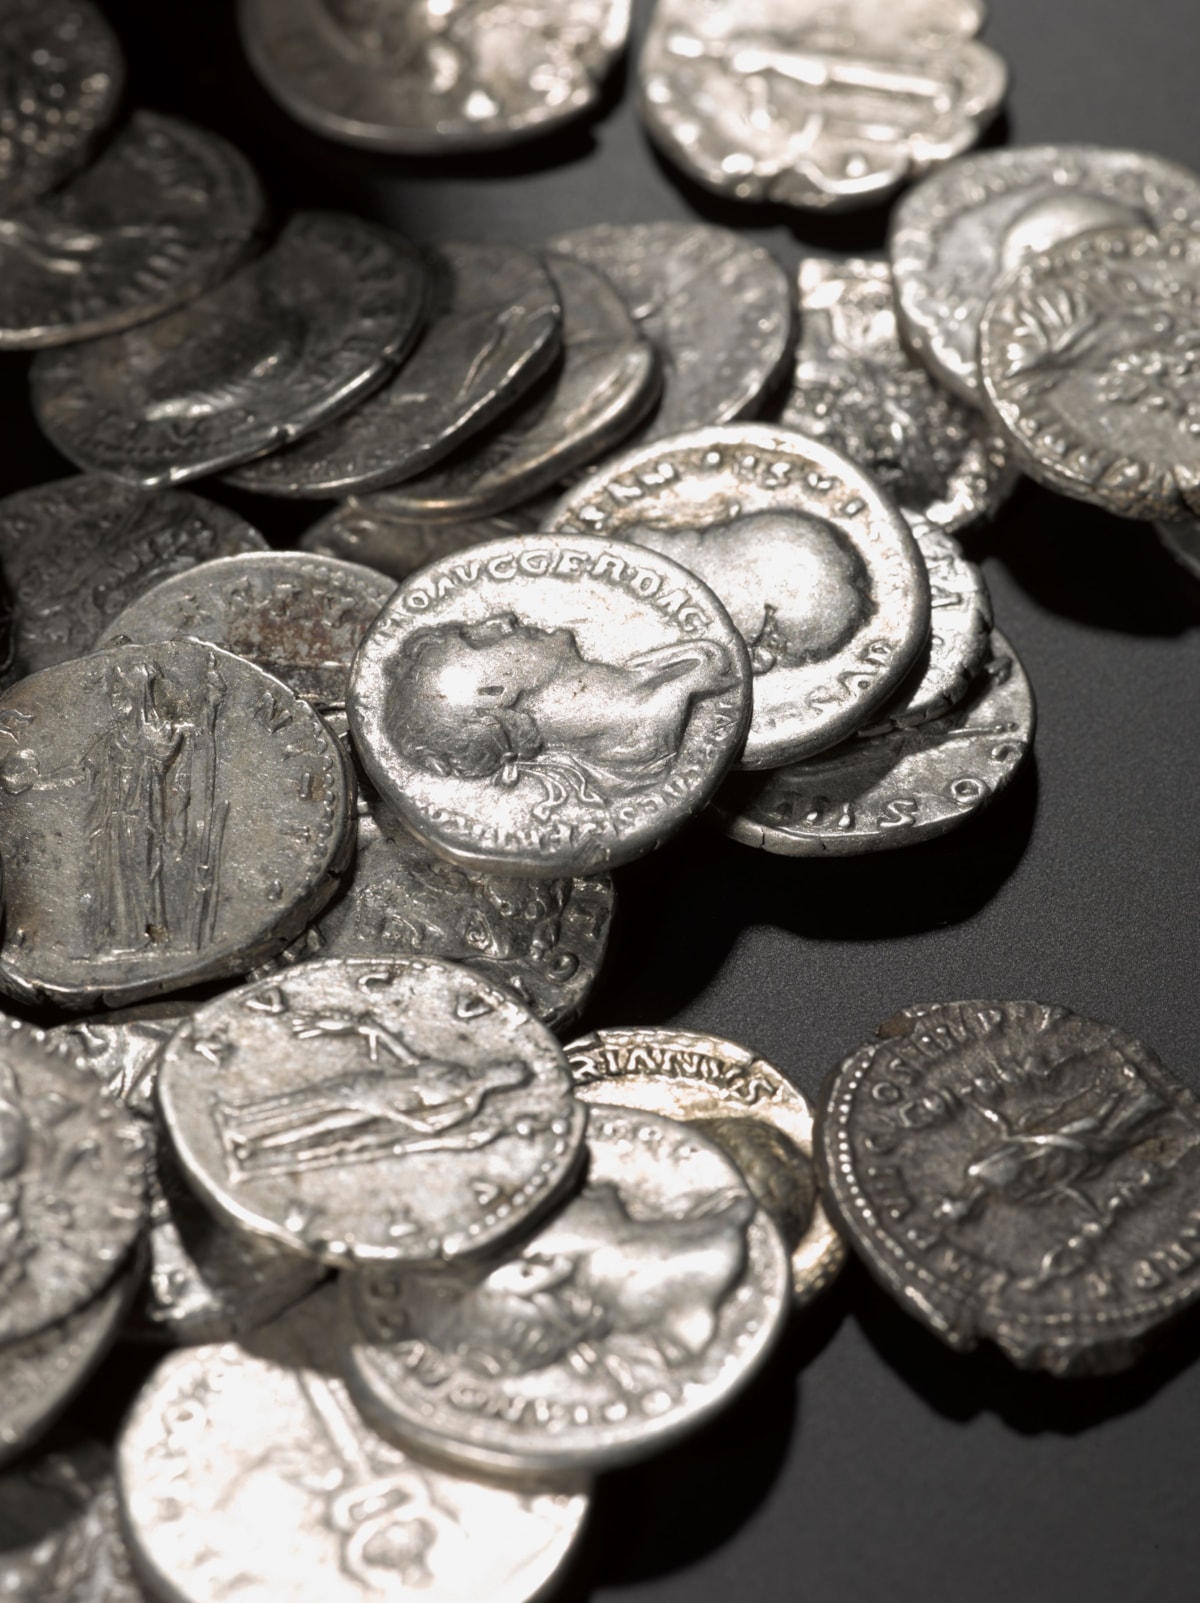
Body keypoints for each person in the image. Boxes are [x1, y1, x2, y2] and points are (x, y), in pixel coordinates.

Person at [384, 612, 735, 794]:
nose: (502, 619)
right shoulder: (645, 741)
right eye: (478, 639)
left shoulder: (654, 669)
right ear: (494, 693)